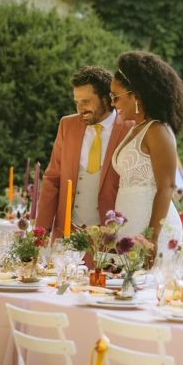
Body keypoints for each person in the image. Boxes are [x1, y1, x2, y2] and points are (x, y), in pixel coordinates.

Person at [36, 67, 133, 238]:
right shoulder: (67, 125)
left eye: (86, 102)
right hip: (67, 234)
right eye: (77, 102)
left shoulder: (130, 129)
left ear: (107, 99)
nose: (80, 109)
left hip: (109, 238)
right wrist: (42, 229)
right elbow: (52, 179)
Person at [109, 51, 183, 251]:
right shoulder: (135, 128)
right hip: (129, 226)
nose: (112, 103)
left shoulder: (157, 131)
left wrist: (151, 239)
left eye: (116, 97)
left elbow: (167, 187)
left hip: (153, 233)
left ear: (136, 95)